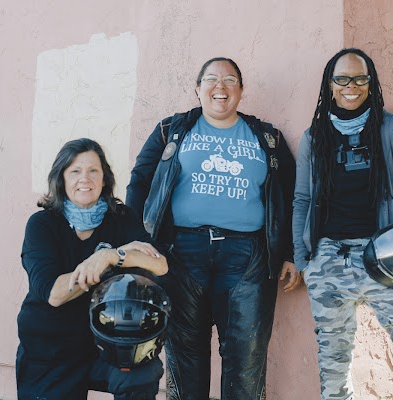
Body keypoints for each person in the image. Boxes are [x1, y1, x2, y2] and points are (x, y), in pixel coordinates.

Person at [126, 57, 298, 400]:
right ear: (198, 89)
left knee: (245, 358)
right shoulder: (171, 131)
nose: (220, 87)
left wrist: (291, 253)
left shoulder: (268, 138)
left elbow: (291, 196)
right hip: (182, 254)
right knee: (185, 357)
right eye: (211, 80)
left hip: (248, 256)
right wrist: (139, 242)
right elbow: (139, 182)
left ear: (241, 91)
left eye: (230, 80)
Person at [293, 48, 393, 400]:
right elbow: (302, 199)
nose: (351, 86)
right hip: (329, 259)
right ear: (329, 84)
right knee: (334, 363)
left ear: (371, 83)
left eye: (360, 78)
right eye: (342, 79)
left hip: (384, 255)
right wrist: (304, 260)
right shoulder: (313, 137)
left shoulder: (389, 127)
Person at [16, 138, 169, 400]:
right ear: (61, 178)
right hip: (50, 350)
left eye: (93, 171)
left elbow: (160, 264)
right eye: (75, 171)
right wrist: (96, 262)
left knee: (143, 372)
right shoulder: (42, 225)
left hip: (107, 346)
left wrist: (112, 256)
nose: (84, 179)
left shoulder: (121, 218)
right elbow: (53, 292)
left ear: (104, 178)